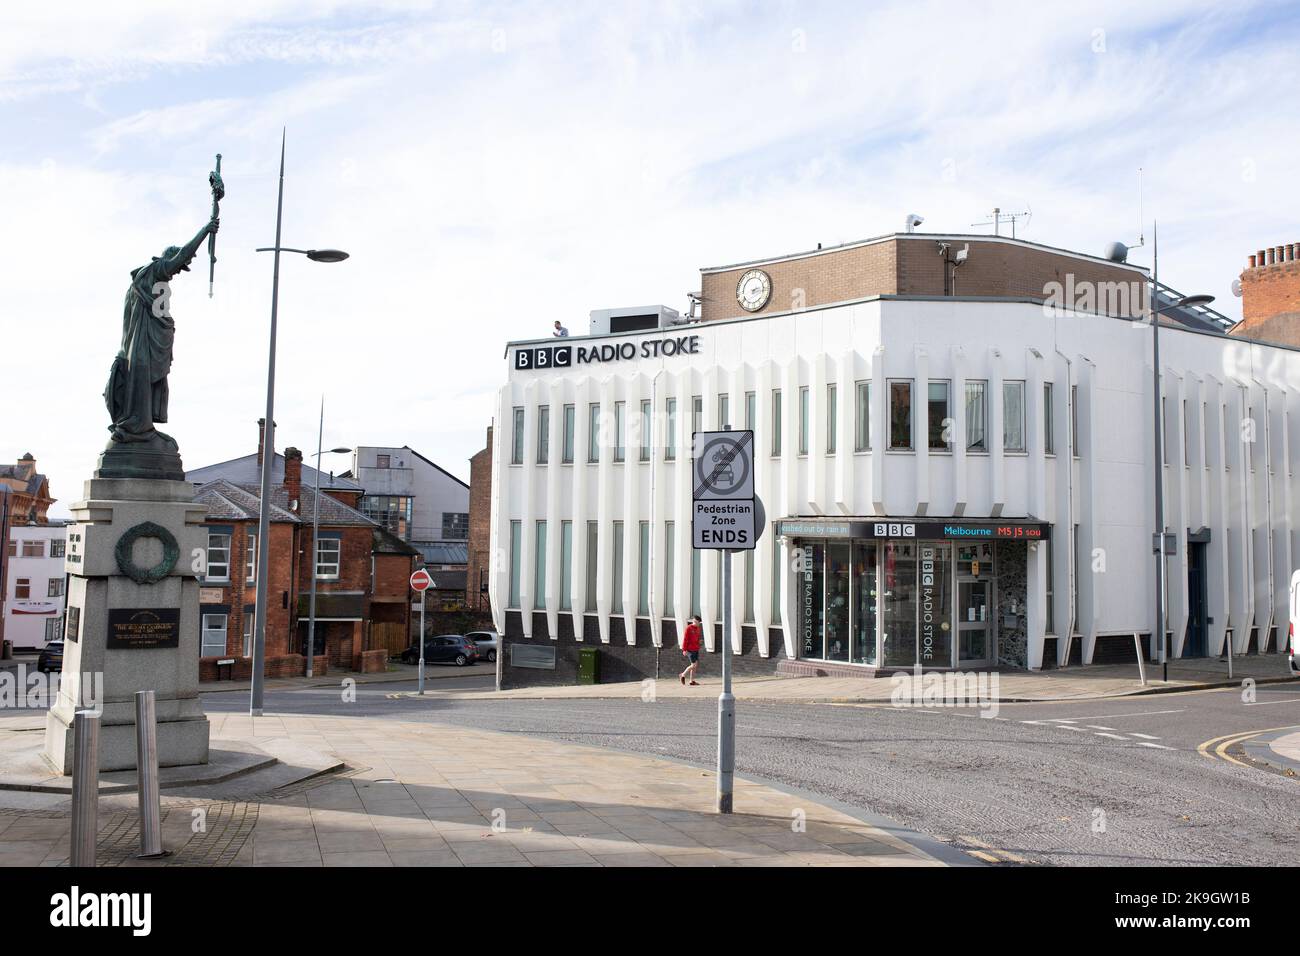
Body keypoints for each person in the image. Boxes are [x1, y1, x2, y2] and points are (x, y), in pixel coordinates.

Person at [680, 615, 702, 685]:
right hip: (690, 649)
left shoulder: (698, 628)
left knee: (695, 665)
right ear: (694, 621)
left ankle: (691, 681)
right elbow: (685, 639)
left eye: (699, 623)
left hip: (696, 649)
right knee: (693, 665)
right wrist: (684, 649)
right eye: (697, 622)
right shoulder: (689, 628)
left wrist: (699, 642)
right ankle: (683, 674)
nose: (698, 624)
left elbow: (697, 638)